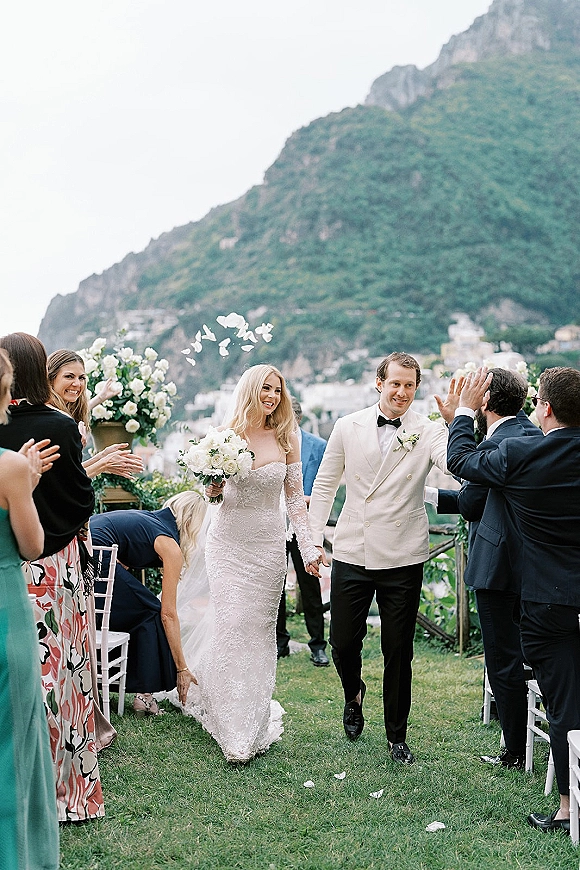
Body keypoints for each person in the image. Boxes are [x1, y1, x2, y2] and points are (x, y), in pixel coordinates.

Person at [446, 365, 580, 832]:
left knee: (565, 706)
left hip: (550, 602)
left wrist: (462, 413)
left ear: (544, 408)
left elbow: (461, 461)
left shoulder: (524, 455)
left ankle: (567, 808)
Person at [308, 352, 448, 764]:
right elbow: (325, 483)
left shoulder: (427, 430)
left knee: (398, 648)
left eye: (409, 385)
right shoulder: (346, 426)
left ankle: (396, 735)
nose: (402, 392)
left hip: (403, 553)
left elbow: (452, 463)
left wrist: (458, 422)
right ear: (378, 383)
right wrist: (314, 540)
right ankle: (354, 692)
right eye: (395, 384)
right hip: (353, 547)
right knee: (342, 642)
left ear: (416, 388)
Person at [180, 364, 322, 762]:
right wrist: (212, 487)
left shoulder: (286, 436)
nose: (271, 396)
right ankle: (232, 726)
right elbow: (213, 499)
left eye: (276, 390)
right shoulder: (227, 437)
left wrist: (309, 549)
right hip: (228, 544)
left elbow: (295, 499)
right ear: (249, 391)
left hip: (267, 548)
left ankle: (251, 714)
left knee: (258, 631)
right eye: (264, 389)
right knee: (232, 624)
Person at [0, 333, 104, 822]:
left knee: (17, 683)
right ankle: (68, 794)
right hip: (54, 567)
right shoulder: (60, 426)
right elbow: (82, 499)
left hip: (5, 568)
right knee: (64, 680)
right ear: (41, 371)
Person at [433, 369, 541, 770]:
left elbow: (469, 492)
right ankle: (525, 736)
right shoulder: (529, 435)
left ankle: (514, 749)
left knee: (503, 660)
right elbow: (478, 491)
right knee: (528, 655)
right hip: (534, 569)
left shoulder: (505, 442)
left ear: (485, 401)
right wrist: (454, 420)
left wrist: (461, 415)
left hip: (498, 569)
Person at [0, 348, 59, 870]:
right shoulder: (12, 467)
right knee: (13, 741)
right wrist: (30, 484)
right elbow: (32, 545)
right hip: (4, 613)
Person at [90, 491, 206, 715]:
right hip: (97, 557)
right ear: (192, 521)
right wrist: (182, 667)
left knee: (141, 608)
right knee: (151, 612)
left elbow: (117, 534)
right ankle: (144, 695)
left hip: (79, 552)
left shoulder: (148, 520)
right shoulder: (169, 544)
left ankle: (109, 677)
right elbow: (168, 614)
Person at [276, 397, 329, 666]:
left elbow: (325, 490)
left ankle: (318, 645)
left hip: (303, 525)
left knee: (310, 586)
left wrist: (301, 500)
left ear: (297, 418)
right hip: (273, 524)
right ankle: (279, 641)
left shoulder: (318, 447)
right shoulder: (271, 442)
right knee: (276, 585)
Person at [47, 349, 143, 479]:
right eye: (69, 376)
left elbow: (72, 470)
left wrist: (102, 457)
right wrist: (104, 463)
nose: (77, 384)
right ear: (50, 378)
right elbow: (65, 480)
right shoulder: (53, 420)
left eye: (81, 378)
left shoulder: (64, 415)